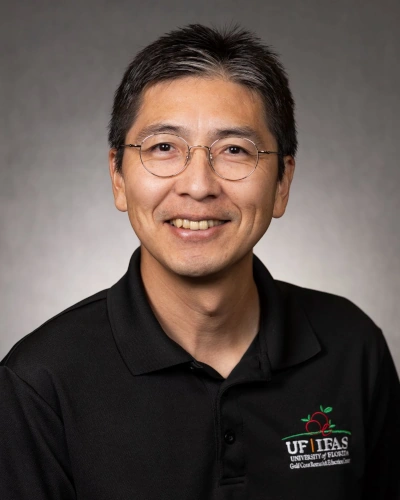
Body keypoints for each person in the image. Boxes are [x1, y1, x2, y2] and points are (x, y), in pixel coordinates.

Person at [1, 24, 399, 500]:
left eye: (234, 150)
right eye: (163, 147)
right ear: (118, 177)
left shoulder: (352, 348)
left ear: (282, 182)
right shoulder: (39, 382)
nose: (197, 185)